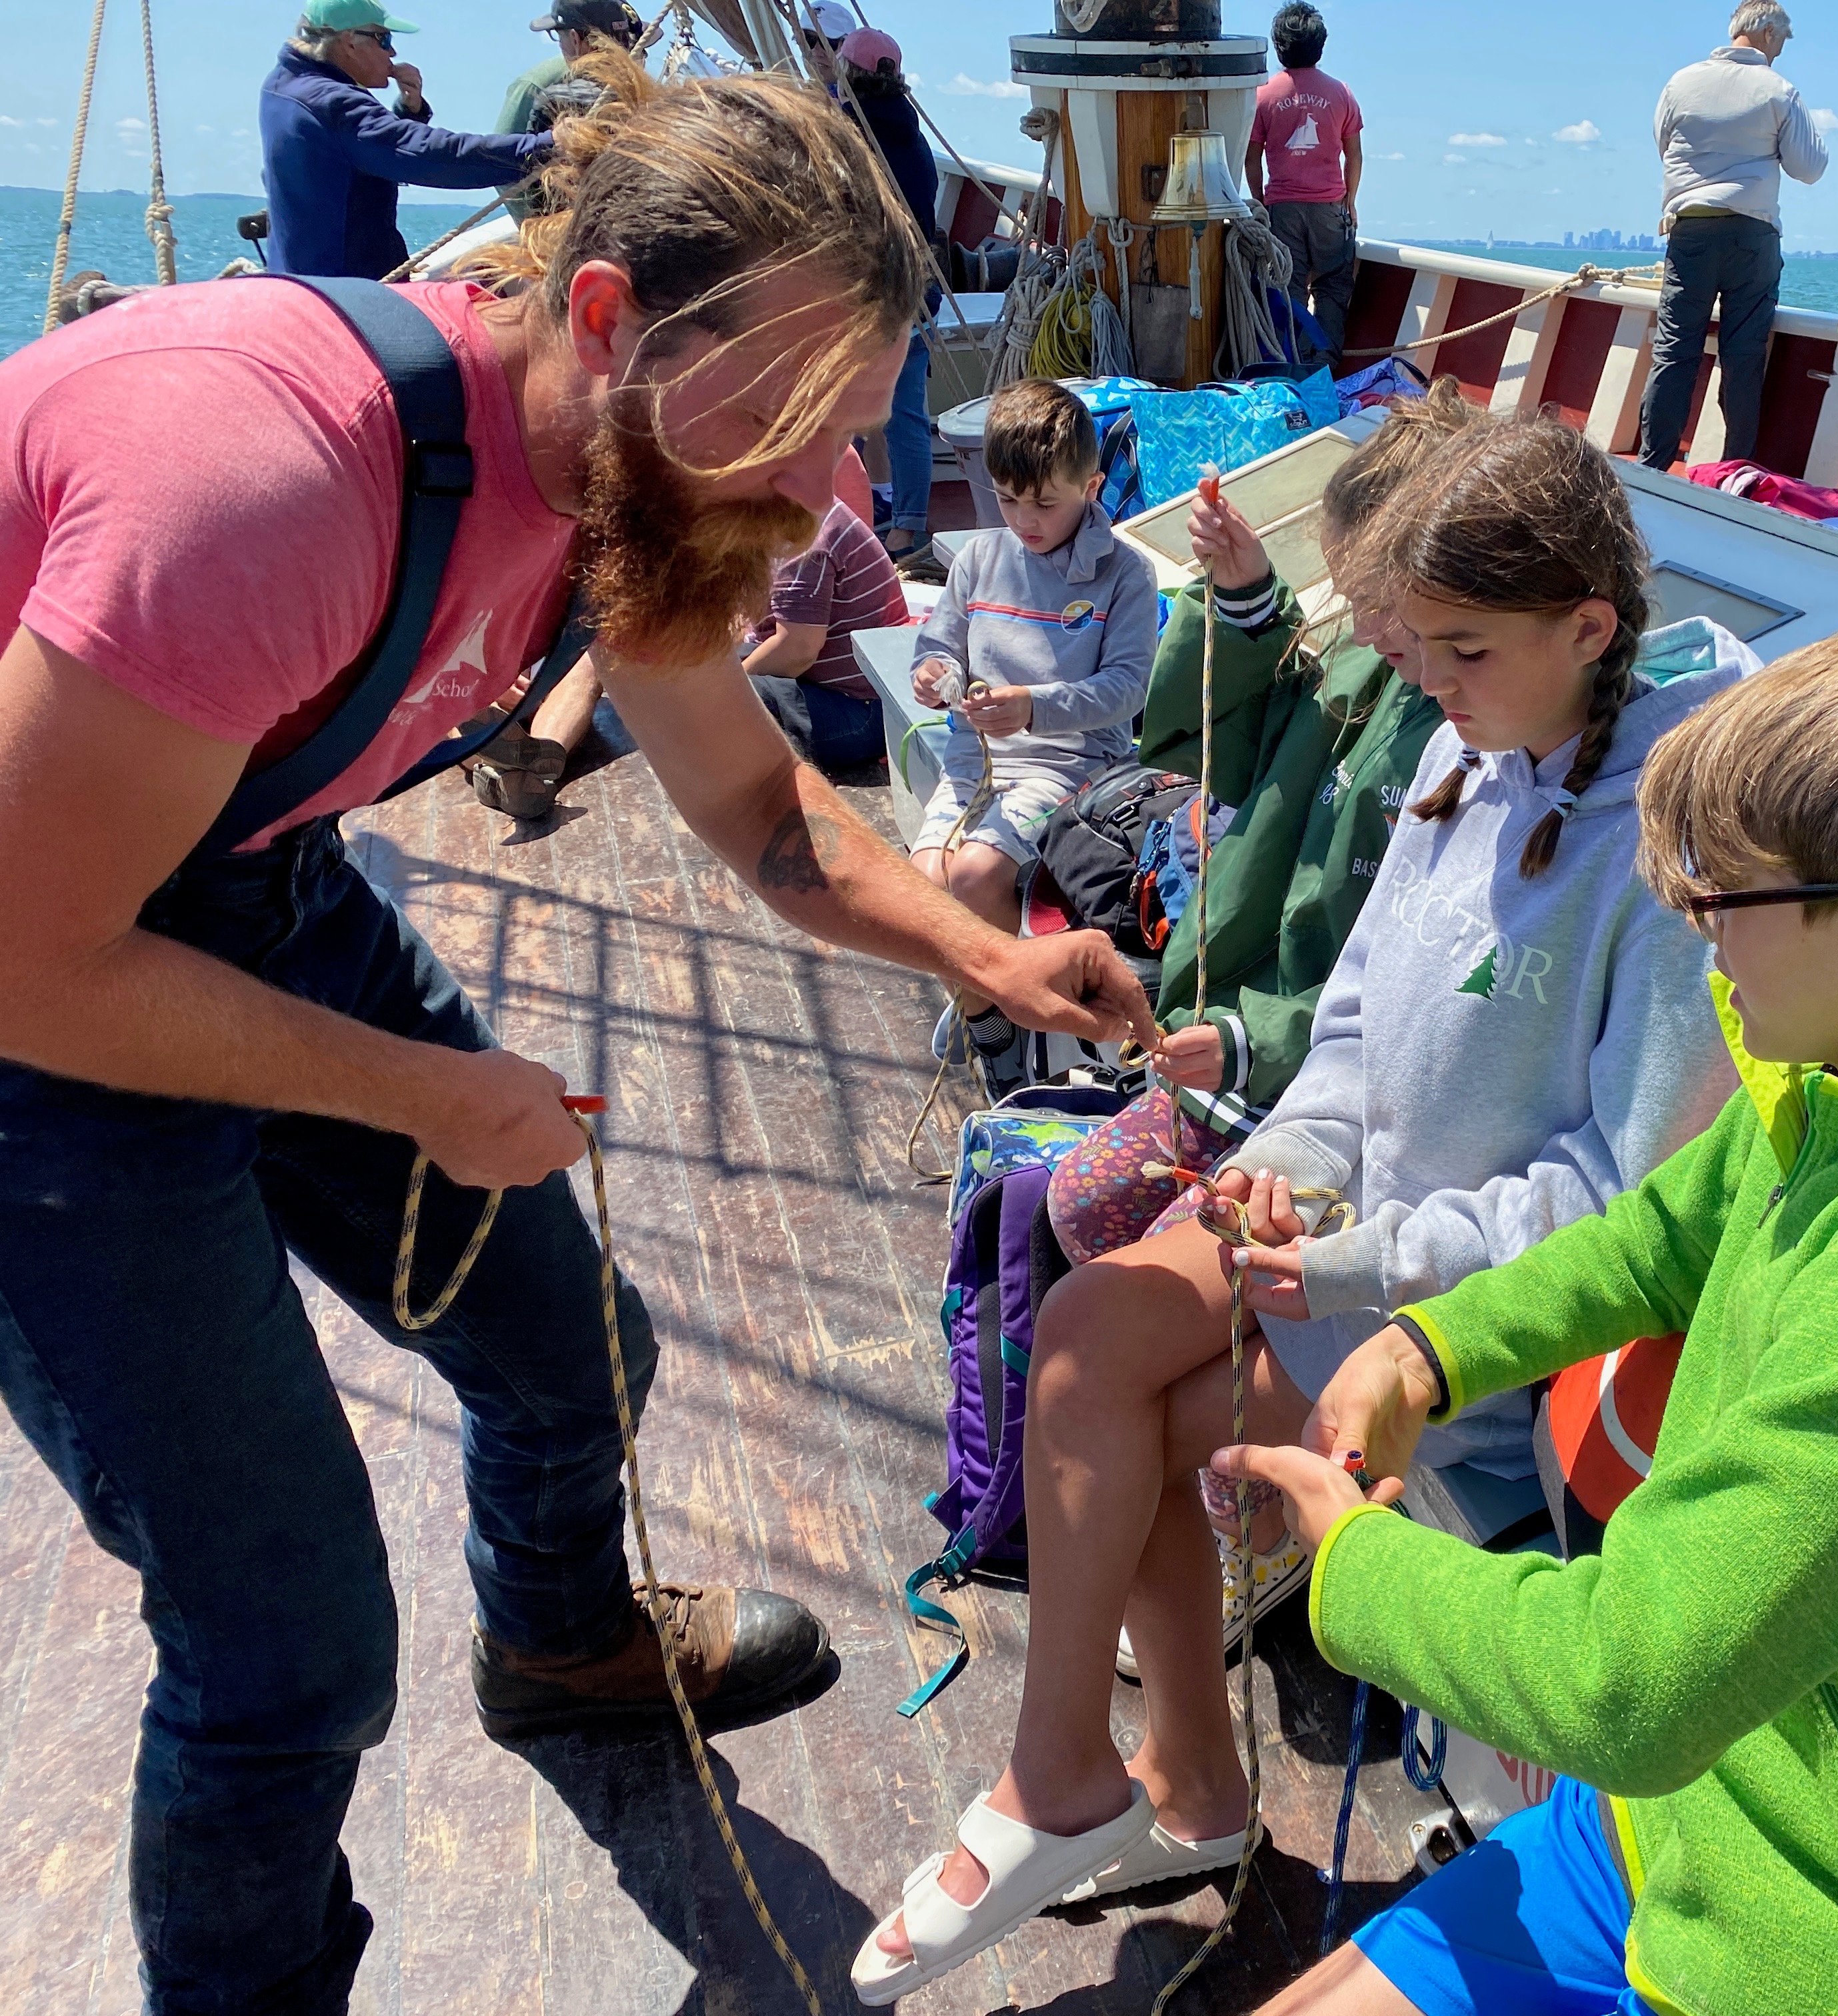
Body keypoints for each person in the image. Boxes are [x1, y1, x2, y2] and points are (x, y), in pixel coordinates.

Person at [0, 60, 1150, 2015]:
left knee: (570, 1343)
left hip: (237, 869)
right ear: (606, 319)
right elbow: (29, 959)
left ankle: (559, 1645)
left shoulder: (623, 472)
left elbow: (765, 812)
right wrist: (425, 1094)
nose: (831, 499)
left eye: (860, 437)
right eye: (792, 427)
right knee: (283, 1641)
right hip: (38, 987)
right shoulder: (260, 484)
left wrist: (992, 961)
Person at [852, 416, 1750, 2004]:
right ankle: (1073, 1779)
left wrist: (1351, 1251)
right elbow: (1351, 1031)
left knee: (1157, 1416)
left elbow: (1625, 1203)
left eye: (1458, 648)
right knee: (1081, 1338)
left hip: (1459, 1303)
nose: (1426, 683)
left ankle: (1188, 1795)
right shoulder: (1468, 747)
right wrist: (1296, 1160)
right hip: (1338, 1219)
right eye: (1414, 645)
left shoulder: (1679, 856)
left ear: (1591, 628)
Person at [1217, 595, 1838, 2016]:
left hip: (1832, 1936)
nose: (1690, 926)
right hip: (1677, 1815)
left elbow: (1629, 1688)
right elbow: (1665, 1234)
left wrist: (1351, 1563)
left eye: (1724, 901)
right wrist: (1435, 1345)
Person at [1044, 380, 1486, 1269]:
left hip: (1321, 1098)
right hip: (1241, 1050)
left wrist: (1260, 1045)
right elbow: (1245, 752)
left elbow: (1438, 988)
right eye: (1350, 591)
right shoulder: (1373, 660)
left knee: (1141, 1291)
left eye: (1382, 600)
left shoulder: (1483, 733)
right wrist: (1243, 596)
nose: (1358, 624)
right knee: (1073, 1208)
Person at [907, 377, 1160, 1095]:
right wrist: (934, 672)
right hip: (977, 759)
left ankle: (992, 1024)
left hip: (1075, 762)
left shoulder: (1125, 575)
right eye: (1007, 498)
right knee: (923, 886)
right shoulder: (978, 562)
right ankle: (989, 1006)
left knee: (974, 875)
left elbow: (1126, 691)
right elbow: (940, 641)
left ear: (1092, 483)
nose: (1024, 518)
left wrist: (1032, 708)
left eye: (1045, 502)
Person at [1636, 1, 1829, 473]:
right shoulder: (1778, 89)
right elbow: (1810, 168)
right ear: (1765, 32)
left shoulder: (1681, 82)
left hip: (1692, 230)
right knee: (1742, 358)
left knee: (1675, 350)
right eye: (1782, 40)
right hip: (1751, 235)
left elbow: (1664, 145)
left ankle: (1652, 464)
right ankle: (1736, 468)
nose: (1781, 50)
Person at [261, 0, 555, 283]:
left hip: (298, 283)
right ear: (350, 41)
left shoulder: (281, 86)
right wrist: (548, 147)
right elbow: (431, 155)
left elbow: (364, 153)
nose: (393, 53)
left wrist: (408, 112)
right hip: (346, 297)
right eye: (384, 39)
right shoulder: (334, 103)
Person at [840, 26, 944, 561]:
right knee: (905, 411)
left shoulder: (847, 136)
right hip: (919, 290)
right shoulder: (911, 132)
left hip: (874, 292)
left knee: (842, 408)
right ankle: (909, 526)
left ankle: (858, 527)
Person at [743, 495, 904, 775]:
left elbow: (797, 651)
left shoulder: (808, 540)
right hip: (824, 685)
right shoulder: (802, 510)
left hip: (860, 709)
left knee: (724, 699)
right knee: (698, 667)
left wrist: (725, 687)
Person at [1247, 3, 1365, 369]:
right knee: (1331, 286)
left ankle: (1296, 365)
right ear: (1321, 46)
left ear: (1278, 46)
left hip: (1282, 209)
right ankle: (1327, 364)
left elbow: (1251, 158)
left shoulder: (1263, 95)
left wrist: (1260, 203)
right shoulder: (1341, 93)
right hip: (1331, 209)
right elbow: (1354, 156)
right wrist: (1352, 201)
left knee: (1288, 286)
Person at [493, 0, 644, 223]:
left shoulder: (557, 100)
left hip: (582, 234)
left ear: (574, 39)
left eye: (559, 37)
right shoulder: (653, 98)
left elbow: (539, 195)